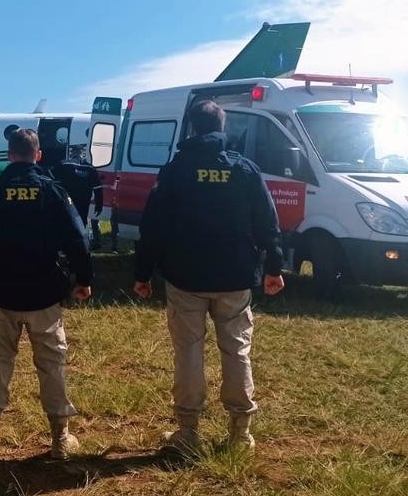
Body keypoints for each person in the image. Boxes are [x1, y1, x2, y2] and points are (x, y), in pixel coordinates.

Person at [133, 100, 285, 455]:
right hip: (235, 277)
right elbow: (267, 221)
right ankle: (241, 432)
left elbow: (152, 226)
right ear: (223, 127)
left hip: (185, 277)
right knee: (237, 350)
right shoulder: (245, 169)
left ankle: (187, 431)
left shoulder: (174, 171)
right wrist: (274, 267)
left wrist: (142, 273)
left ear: (191, 128)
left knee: (188, 352)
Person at [0, 128, 93, 460]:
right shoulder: (52, 191)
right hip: (44, 295)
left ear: (9, 155)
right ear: (38, 155)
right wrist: (83, 279)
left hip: (2, 293)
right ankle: (60, 438)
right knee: (52, 364)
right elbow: (78, 238)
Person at [51, 146, 105, 248]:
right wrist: (99, 204)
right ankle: (81, 245)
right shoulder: (89, 167)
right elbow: (98, 187)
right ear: (82, 154)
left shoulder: (64, 164)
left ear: (71, 153)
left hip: (68, 200)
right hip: (84, 201)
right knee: (82, 222)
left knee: (66, 221)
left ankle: (65, 246)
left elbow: (50, 178)